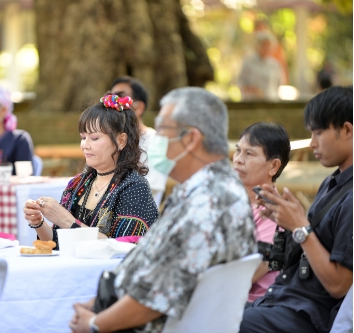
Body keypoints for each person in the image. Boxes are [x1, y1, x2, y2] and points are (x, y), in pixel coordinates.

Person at [69, 87, 256, 333]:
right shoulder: (203, 191)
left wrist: (95, 324)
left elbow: (155, 299)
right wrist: (95, 305)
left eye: (163, 131)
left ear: (190, 139)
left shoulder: (209, 203)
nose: (155, 140)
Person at [240, 86, 353, 333]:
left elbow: (340, 285)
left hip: (306, 315)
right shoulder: (333, 182)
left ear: (347, 130)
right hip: (280, 299)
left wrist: (300, 227)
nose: (312, 143)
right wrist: (282, 216)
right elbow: (302, 250)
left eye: (318, 132)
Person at [24, 94, 159, 249]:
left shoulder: (134, 187)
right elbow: (57, 243)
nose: (85, 145)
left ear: (121, 141)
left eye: (94, 138)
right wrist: (39, 222)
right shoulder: (78, 184)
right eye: (83, 137)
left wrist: (67, 221)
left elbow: (123, 247)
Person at [233, 122, 290, 302]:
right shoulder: (232, 203)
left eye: (249, 153)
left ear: (273, 166)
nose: (238, 159)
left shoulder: (274, 212)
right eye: (237, 151)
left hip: (252, 307)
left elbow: (252, 271)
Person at [110, 76, 166, 202]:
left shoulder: (156, 141)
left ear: (139, 107)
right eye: (111, 99)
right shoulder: (109, 139)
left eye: (119, 99)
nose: (112, 105)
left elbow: (150, 187)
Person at [239, 31, 285, 101]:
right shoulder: (248, 62)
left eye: (268, 46)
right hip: (252, 102)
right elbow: (240, 82)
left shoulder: (275, 64)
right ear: (258, 46)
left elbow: (279, 84)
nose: (266, 48)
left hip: (271, 101)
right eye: (264, 45)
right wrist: (251, 89)